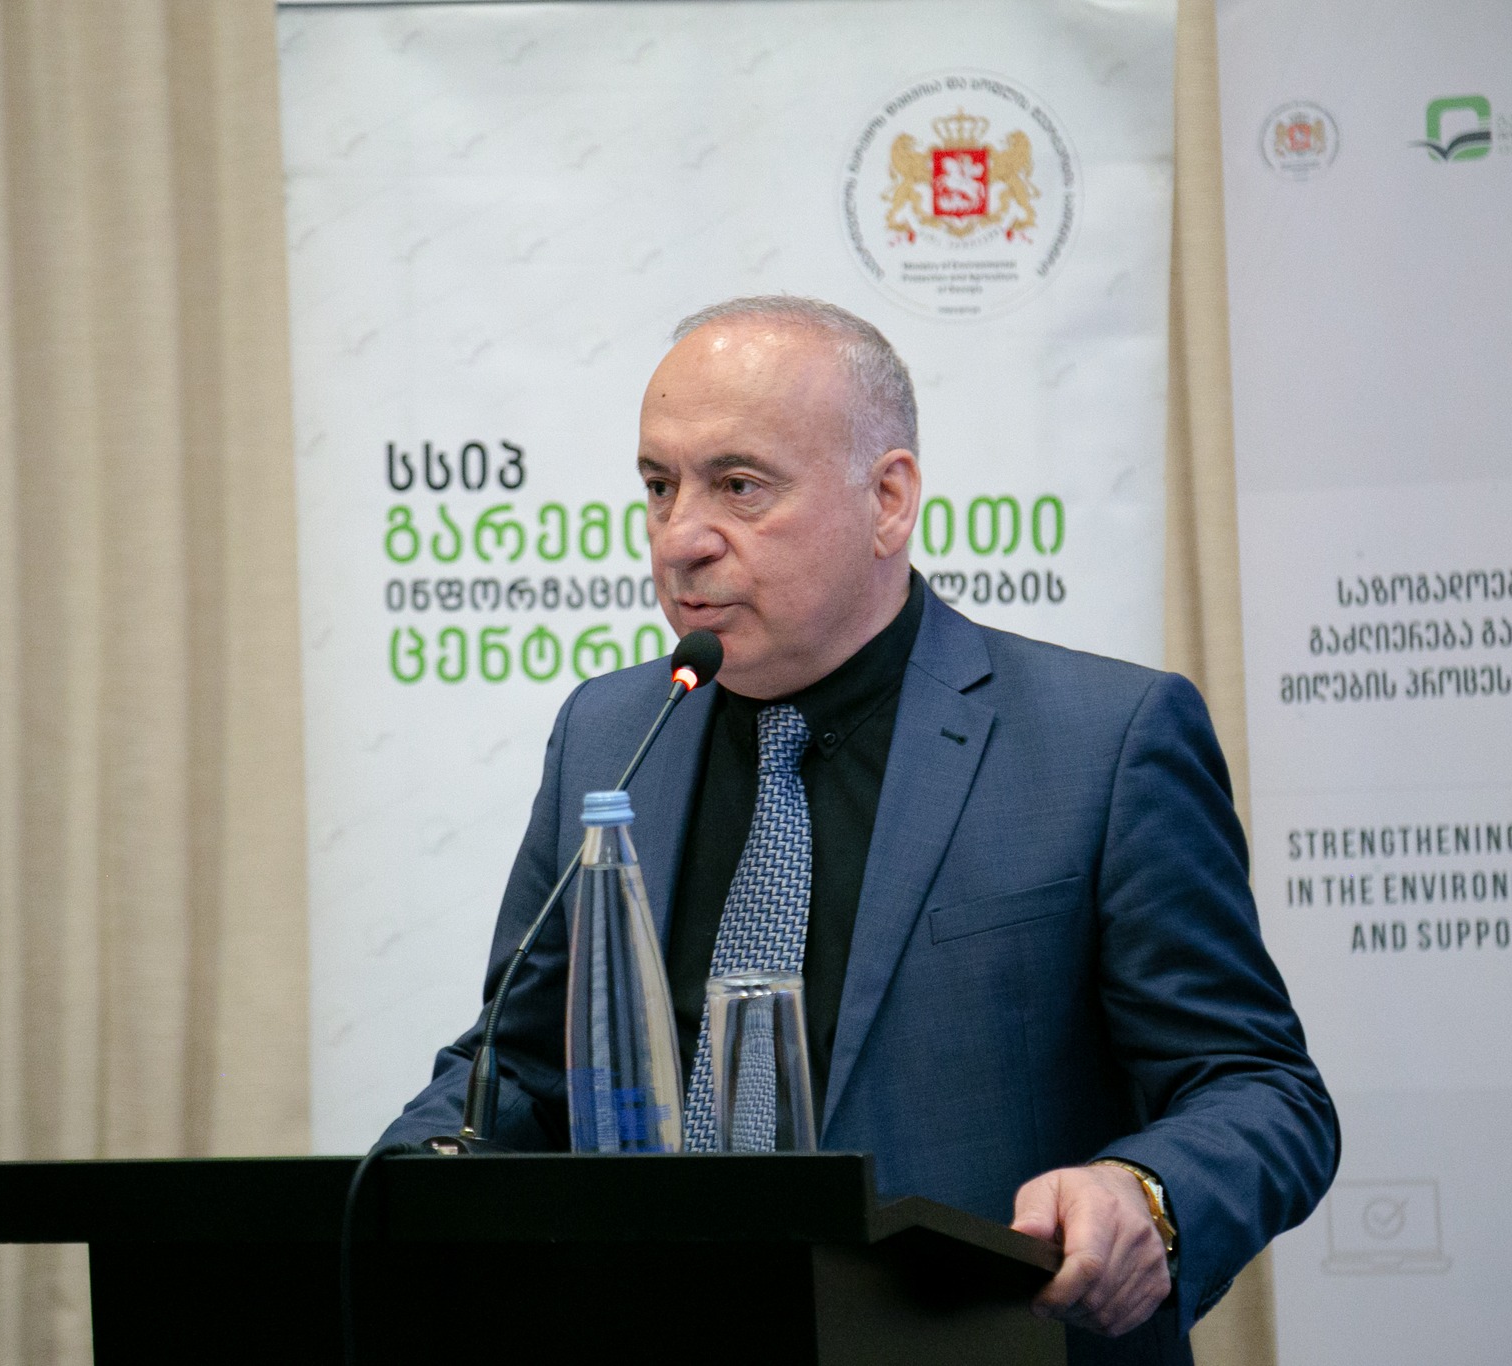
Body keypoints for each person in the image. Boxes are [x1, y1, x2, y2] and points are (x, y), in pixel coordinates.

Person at [378, 296, 1337, 1362]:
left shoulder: (1101, 742)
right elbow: (518, 1069)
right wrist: (389, 1191)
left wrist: (1145, 1195)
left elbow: (1260, 1089)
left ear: (887, 500)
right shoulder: (608, 734)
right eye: (658, 486)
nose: (680, 538)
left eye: (739, 486)